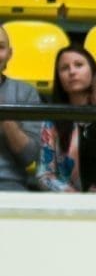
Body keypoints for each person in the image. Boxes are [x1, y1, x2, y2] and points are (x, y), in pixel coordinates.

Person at [34, 45, 96, 192]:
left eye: (79, 65)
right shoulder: (51, 121)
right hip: (67, 201)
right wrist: (72, 196)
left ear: (93, 71)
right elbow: (45, 175)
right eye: (64, 68)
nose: (72, 71)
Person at [0, 25, 43, 191]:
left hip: (9, 185)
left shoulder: (26, 93)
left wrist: (4, 114)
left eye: (0, 47)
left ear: (9, 54)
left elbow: (29, 157)